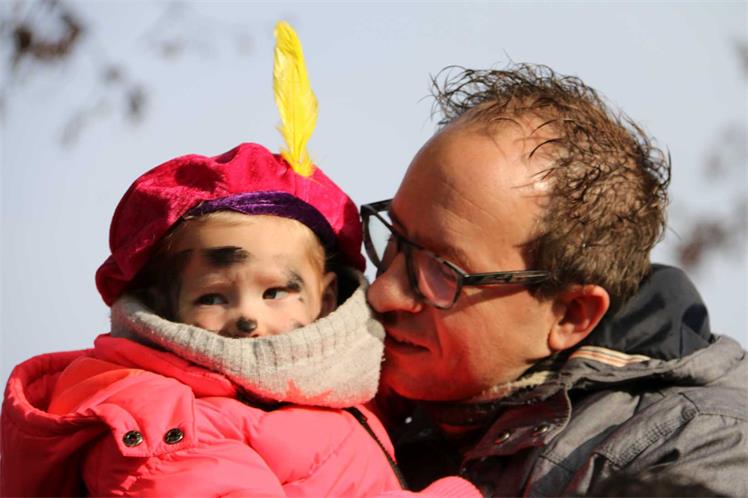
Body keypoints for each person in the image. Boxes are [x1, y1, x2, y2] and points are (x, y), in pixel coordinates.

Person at [0, 23, 477, 498]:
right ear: (166, 308)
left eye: (274, 291)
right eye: (213, 297)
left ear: (327, 297)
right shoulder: (168, 425)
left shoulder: (336, 375)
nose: (247, 318)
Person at [363, 64, 748, 496]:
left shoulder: (700, 449)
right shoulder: (370, 386)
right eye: (394, 239)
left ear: (570, 315)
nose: (382, 292)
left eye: (441, 271)